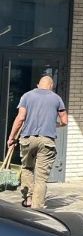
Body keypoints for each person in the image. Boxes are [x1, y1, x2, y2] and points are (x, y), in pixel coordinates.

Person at [6, 75, 67, 209]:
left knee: (27, 168)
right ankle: (37, 207)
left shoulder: (27, 96)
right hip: (47, 140)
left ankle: (28, 198)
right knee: (41, 177)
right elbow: (64, 121)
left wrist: (11, 137)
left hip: (28, 139)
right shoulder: (57, 98)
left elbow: (20, 118)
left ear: (38, 85)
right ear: (51, 86)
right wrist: (55, 124)